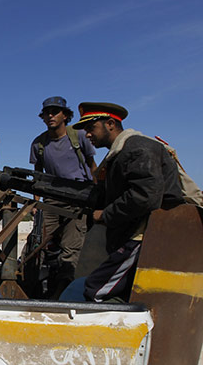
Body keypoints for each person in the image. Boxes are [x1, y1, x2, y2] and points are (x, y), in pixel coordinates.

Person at [64, 102, 184, 302]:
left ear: (110, 124)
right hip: (135, 235)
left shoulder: (138, 148)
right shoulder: (121, 152)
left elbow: (145, 196)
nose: (88, 135)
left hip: (142, 237)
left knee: (96, 291)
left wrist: (105, 214)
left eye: (91, 128)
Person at [29, 96, 97, 298]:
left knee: (71, 251)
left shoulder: (79, 136)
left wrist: (96, 198)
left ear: (65, 116)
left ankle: (62, 296)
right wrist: (36, 202)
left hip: (78, 200)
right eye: (47, 113)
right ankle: (30, 292)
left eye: (55, 112)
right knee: (35, 246)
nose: (50, 116)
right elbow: (37, 176)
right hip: (50, 200)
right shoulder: (39, 143)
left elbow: (92, 167)